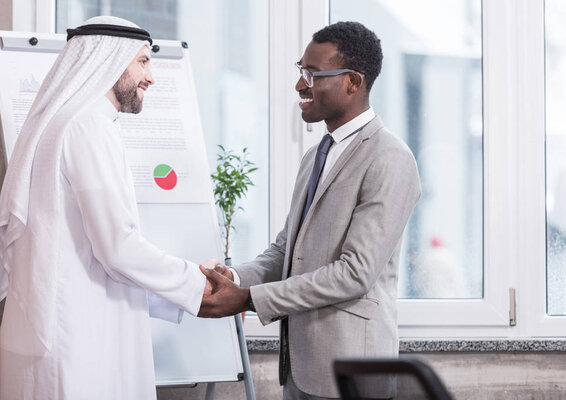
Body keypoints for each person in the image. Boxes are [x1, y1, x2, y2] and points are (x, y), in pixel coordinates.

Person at [199, 21, 421, 399]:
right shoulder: (314, 156)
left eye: (313, 74)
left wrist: (251, 300)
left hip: (354, 373)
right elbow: (287, 251)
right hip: (302, 369)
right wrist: (234, 277)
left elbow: (355, 273)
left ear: (352, 82)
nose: (300, 85)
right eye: (301, 71)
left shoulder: (390, 158)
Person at [0, 16, 211, 400]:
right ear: (109, 61)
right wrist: (197, 284)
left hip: (56, 334)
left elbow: (78, 249)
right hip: (78, 341)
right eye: (143, 62)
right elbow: (117, 248)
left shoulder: (63, 122)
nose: (151, 76)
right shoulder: (87, 126)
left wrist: (187, 280)